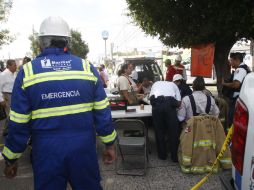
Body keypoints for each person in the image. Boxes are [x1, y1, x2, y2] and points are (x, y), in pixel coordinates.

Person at [2, 17, 117, 190]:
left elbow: (18, 122)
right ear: (68, 41)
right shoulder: (86, 68)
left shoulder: (28, 72)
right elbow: (102, 111)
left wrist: (11, 158)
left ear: (41, 43)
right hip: (83, 147)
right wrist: (109, 143)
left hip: (46, 150)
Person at [149, 80, 181, 162]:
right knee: (173, 131)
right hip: (169, 103)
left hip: (157, 103)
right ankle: (174, 157)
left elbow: (151, 99)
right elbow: (178, 102)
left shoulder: (155, 83)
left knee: (159, 131)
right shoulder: (174, 84)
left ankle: (162, 155)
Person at [222, 52, 250, 127]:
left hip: (236, 99)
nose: (230, 63)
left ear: (237, 60)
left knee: (232, 120)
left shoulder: (240, 70)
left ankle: (231, 137)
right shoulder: (245, 68)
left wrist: (224, 84)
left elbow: (236, 85)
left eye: (231, 60)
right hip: (241, 97)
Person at [0, 59, 17, 136]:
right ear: (9, 66)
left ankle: (8, 130)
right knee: (9, 114)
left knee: (13, 113)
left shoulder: (14, 74)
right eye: (14, 65)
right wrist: (1, 99)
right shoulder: (3, 75)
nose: (16, 67)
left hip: (14, 95)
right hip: (7, 95)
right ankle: (6, 131)